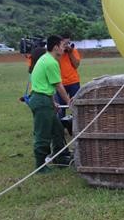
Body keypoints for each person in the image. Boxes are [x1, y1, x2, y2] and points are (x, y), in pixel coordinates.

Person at [28, 35, 71, 173]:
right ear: (55, 47)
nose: (65, 48)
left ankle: (60, 158)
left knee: (58, 130)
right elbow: (58, 86)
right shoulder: (51, 62)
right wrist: (70, 102)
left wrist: (53, 102)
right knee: (43, 134)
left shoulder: (45, 59)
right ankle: (40, 166)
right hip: (41, 101)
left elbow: (46, 84)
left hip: (44, 99)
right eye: (63, 45)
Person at [55, 33, 81, 118]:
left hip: (74, 82)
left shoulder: (73, 51)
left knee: (76, 105)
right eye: (64, 44)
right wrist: (61, 53)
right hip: (61, 83)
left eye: (68, 43)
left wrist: (70, 52)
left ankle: (76, 124)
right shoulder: (56, 53)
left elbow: (76, 65)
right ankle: (61, 126)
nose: (66, 46)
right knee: (60, 107)